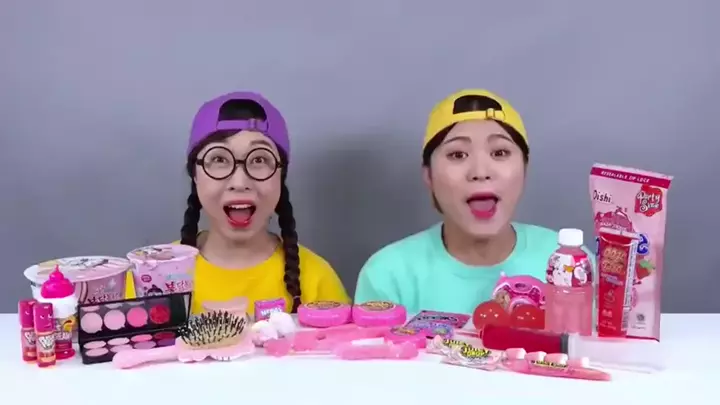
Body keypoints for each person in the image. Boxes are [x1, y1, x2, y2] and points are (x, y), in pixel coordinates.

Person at [354, 89, 591, 314]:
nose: (480, 172)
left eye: (499, 153)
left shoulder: (571, 264)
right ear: (429, 176)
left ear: (524, 169)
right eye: (457, 155)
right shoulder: (388, 275)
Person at [171, 91, 348, 314]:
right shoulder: (151, 278)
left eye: (259, 159)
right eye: (219, 159)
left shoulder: (317, 279)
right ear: (195, 175)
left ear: (280, 176)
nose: (239, 182)